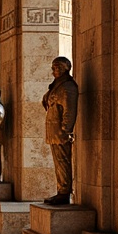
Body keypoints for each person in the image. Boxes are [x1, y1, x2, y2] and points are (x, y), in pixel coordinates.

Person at [42, 58, 78, 205]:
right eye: (53, 68)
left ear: (64, 69)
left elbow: (70, 110)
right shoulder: (58, 85)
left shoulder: (67, 87)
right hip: (54, 130)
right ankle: (60, 189)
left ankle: (64, 192)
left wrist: (66, 130)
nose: (53, 71)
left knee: (63, 162)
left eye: (56, 68)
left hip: (61, 133)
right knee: (58, 162)